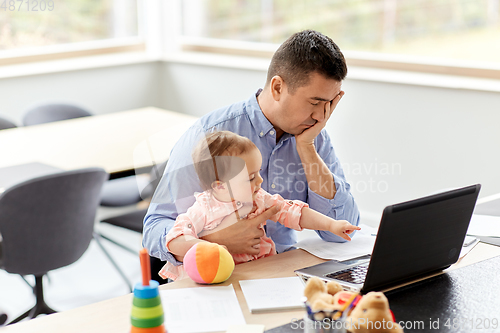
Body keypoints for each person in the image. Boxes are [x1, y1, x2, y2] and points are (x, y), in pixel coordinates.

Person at [143, 29, 360, 272]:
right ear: (277, 88)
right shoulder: (210, 136)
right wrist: (216, 240)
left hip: (282, 272)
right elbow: (154, 229)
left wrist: (307, 149)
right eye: (315, 103)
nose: (322, 116)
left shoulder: (314, 136)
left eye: (329, 104)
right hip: (220, 277)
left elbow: (343, 233)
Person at [159, 131, 360, 280]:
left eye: (259, 173)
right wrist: (211, 246)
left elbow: (293, 211)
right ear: (220, 187)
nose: (260, 181)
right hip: (218, 279)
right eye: (251, 177)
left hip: (259, 273)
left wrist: (331, 225)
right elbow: (174, 240)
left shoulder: (258, 199)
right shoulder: (202, 209)